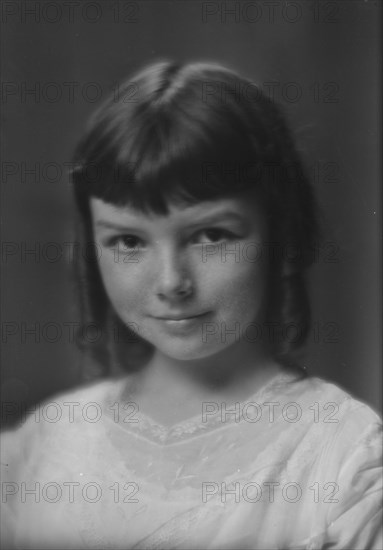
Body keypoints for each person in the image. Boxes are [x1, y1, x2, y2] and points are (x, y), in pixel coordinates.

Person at [1, 60, 381, 550]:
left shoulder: (344, 461)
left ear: (282, 236)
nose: (171, 282)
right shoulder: (47, 444)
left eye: (210, 235)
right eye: (129, 242)